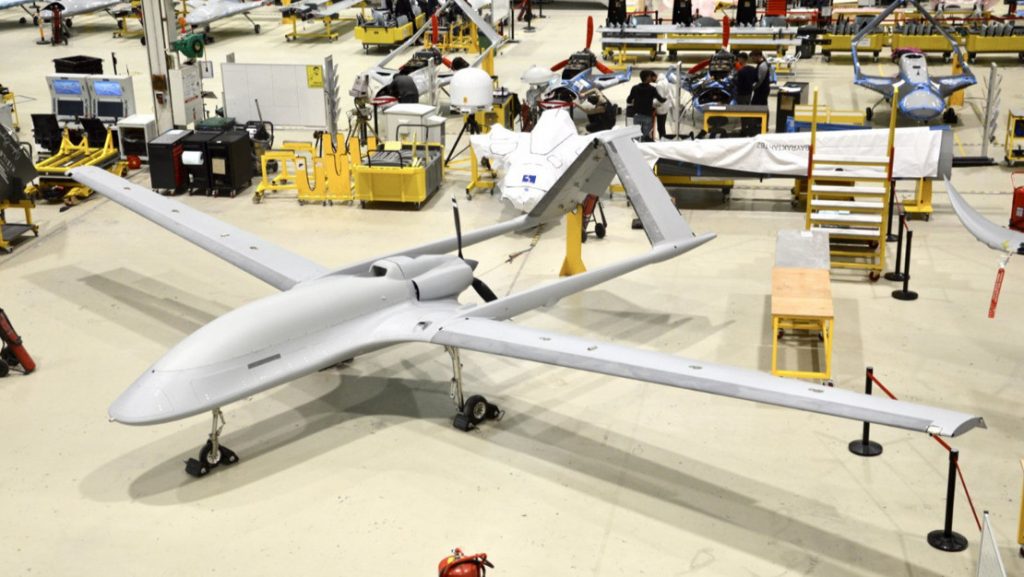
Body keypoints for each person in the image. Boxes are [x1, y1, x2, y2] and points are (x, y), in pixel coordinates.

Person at [626, 70, 665, 142]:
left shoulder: (635, 88)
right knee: (645, 137)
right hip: (647, 116)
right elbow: (661, 99)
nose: (651, 78)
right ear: (647, 78)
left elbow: (628, 100)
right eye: (650, 76)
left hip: (637, 115)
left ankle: (636, 147)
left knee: (636, 136)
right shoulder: (652, 89)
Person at [654, 73, 672, 140]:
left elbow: (660, 99)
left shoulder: (659, 85)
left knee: (660, 128)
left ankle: (663, 140)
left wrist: (653, 104)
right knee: (662, 126)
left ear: (654, 76)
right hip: (665, 107)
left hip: (661, 108)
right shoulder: (665, 80)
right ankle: (663, 139)